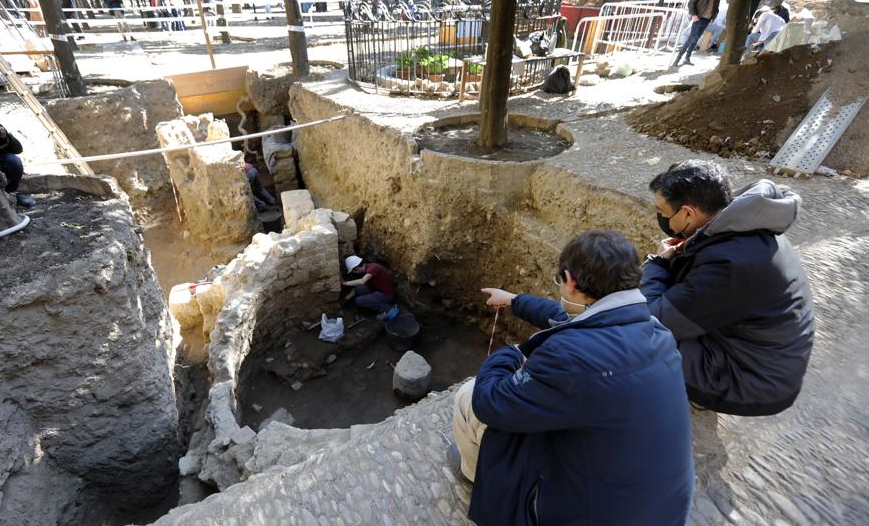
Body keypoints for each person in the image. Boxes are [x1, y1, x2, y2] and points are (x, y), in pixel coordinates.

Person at [452, 230, 694, 526]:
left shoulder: (570, 359)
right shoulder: (657, 330)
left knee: (468, 395)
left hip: (582, 515)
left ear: (570, 281)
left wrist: (511, 354)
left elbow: (491, 402)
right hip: (660, 511)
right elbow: (574, 319)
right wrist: (516, 301)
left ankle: (473, 473)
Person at [641, 160, 814, 416]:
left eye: (664, 212)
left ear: (688, 213)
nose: (662, 219)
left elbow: (652, 319)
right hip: (762, 355)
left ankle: (694, 396)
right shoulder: (746, 223)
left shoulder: (730, 263)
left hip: (752, 382)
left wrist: (656, 263)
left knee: (635, 337)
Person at [343, 255, 399, 320]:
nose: (354, 273)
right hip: (378, 290)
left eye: (353, 271)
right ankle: (373, 301)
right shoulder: (367, 270)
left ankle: (387, 309)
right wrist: (346, 298)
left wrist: (345, 283)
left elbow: (362, 281)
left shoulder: (373, 267)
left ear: (357, 268)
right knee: (359, 288)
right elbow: (357, 287)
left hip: (387, 294)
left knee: (358, 300)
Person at [672, 0, 723, 67]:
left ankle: (687, 58)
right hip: (698, 18)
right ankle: (677, 60)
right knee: (691, 39)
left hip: (707, 20)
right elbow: (691, 3)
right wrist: (694, 15)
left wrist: (713, 17)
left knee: (696, 39)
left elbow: (716, 7)